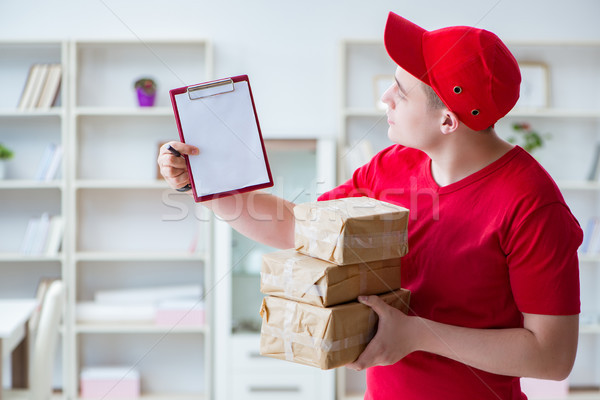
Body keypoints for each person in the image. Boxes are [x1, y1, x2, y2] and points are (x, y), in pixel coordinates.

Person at [157, 11, 582, 400]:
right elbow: (295, 227)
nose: (385, 99)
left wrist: (415, 334)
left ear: (447, 120)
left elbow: (551, 356)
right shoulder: (392, 166)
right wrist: (210, 186)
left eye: (400, 92)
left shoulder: (533, 205)